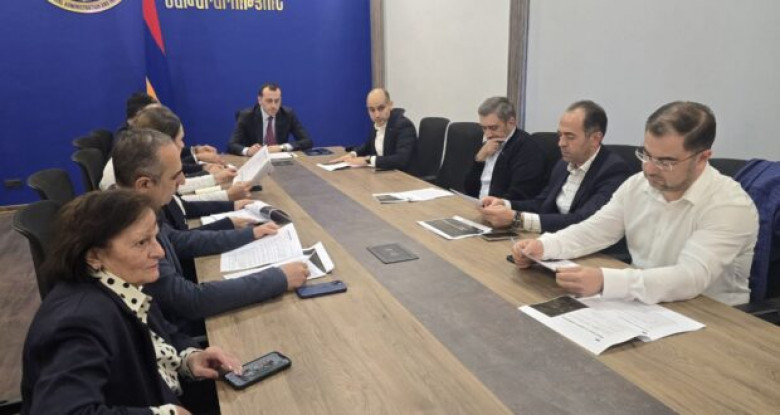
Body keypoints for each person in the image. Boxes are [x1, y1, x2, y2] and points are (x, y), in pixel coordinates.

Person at [512, 101, 759, 305]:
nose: (649, 169)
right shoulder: (637, 185)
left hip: (712, 317)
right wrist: (544, 246)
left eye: (665, 161)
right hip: (642, 302)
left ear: (702, 157)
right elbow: (595, 230)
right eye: (646, 154)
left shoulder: (729, 205)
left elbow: (690, 277)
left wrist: (605, 280)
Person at [21, 190, 242, 414]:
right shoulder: (78, 323)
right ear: (94, 256)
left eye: (155, 237)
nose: (159, 252)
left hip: (167, 392)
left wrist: (190, 359)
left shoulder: (121, 285)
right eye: (142, 242)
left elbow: (162, 335)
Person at [112, 128, 309, 333]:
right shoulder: (129, 233)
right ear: (144, 184)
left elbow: (179, 241)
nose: (183, 181)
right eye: (175, 176)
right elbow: (190, 300)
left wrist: (248, 233)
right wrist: (278, 278)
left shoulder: (141, 208)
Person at [480, 100, 630, 233]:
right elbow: (542, 204)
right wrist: (505, 204)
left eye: (570, 136)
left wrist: (517, 219)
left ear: (595, 138)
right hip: (555, 240)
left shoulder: (613, 170)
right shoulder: (563, 164)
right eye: (560, 135)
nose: (561, 143)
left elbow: (583, 221)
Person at [329, 88, 417, 171]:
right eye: (372, 110)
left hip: (403, 176)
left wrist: (368, 160)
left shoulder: (403, 125)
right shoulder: (377, 123)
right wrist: (353, 154)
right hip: (384, 173)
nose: (377, 115)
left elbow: (401, 160)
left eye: (381, 108)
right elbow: (368, 146)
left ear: (390, 105)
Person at [228, 83, 313, 155]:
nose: (273, 106)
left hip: (280, 159)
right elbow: (232, 145)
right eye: (269, 101)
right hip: (255, 160)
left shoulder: (287, 114)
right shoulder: (246, 116)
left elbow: (307, 141)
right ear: (260, 100)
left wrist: (281, 147)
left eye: (277, 101)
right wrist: (248, 151)